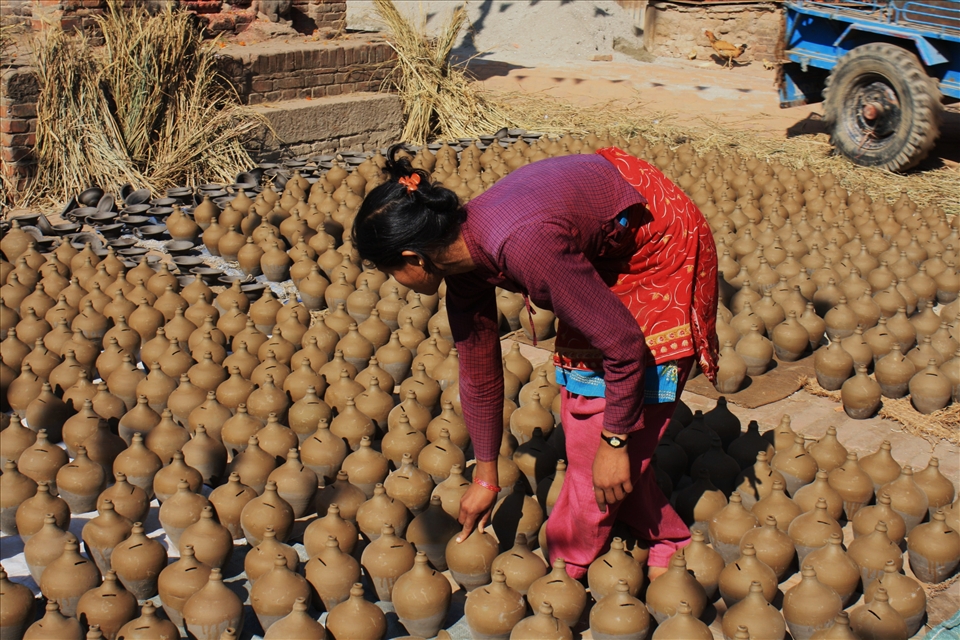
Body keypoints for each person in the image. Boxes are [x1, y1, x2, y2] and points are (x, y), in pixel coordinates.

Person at [352, 142, 719, 579]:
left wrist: (616, 441)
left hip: (658, 243)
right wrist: (486, 477)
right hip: (604, 230)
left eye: (389, 270)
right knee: (585, 411)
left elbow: (624, 346)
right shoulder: (461, 258)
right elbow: (480, 374)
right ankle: (664, 535)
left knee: (595, 445)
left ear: (414, 258)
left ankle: (570, 563)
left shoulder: (523, 245)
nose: (396, 283)